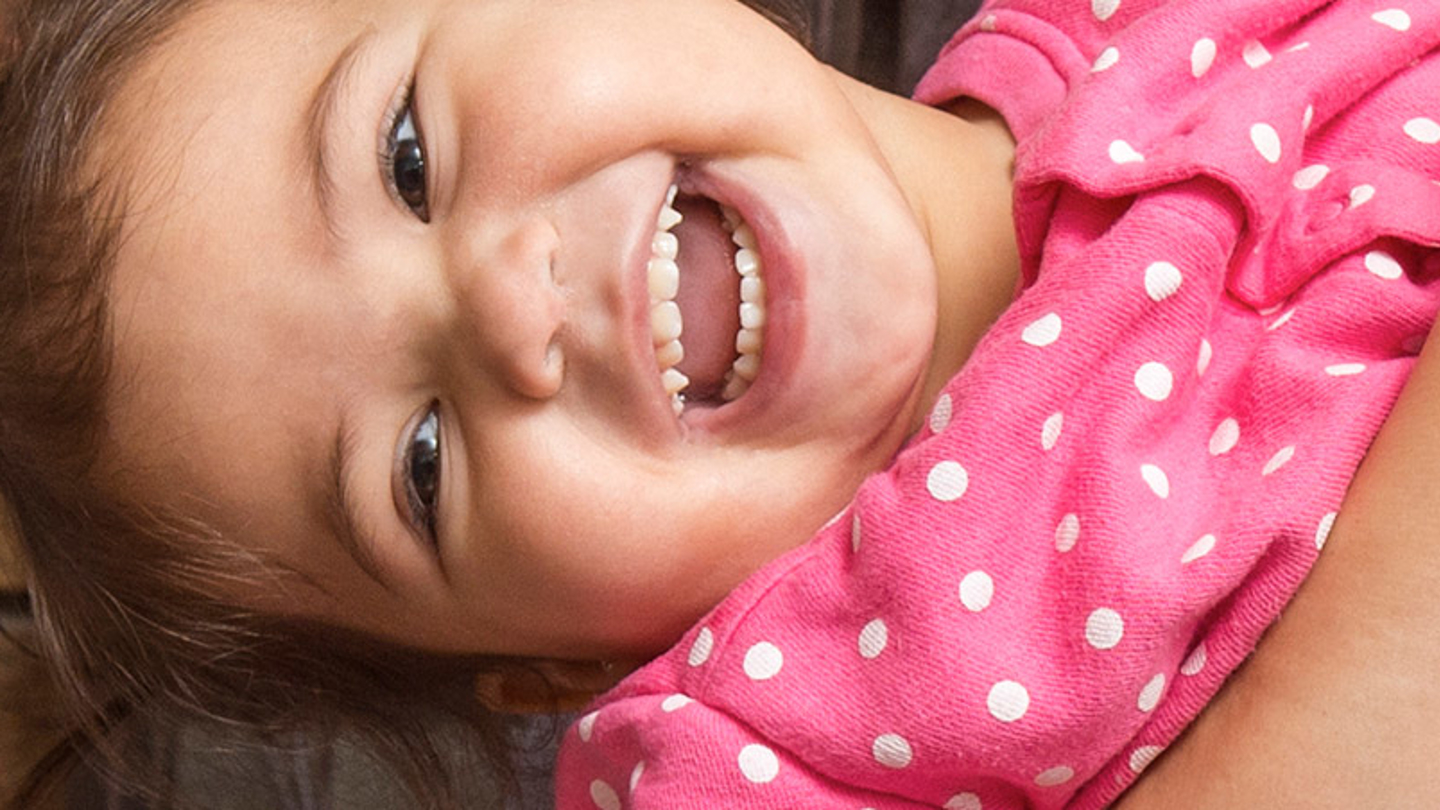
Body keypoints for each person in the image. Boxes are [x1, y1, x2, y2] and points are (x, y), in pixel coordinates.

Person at [0, 0, 1435, 808]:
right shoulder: (745, 758)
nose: (506, 304)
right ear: (553, 669)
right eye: (419, 467)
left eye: (406, 155)